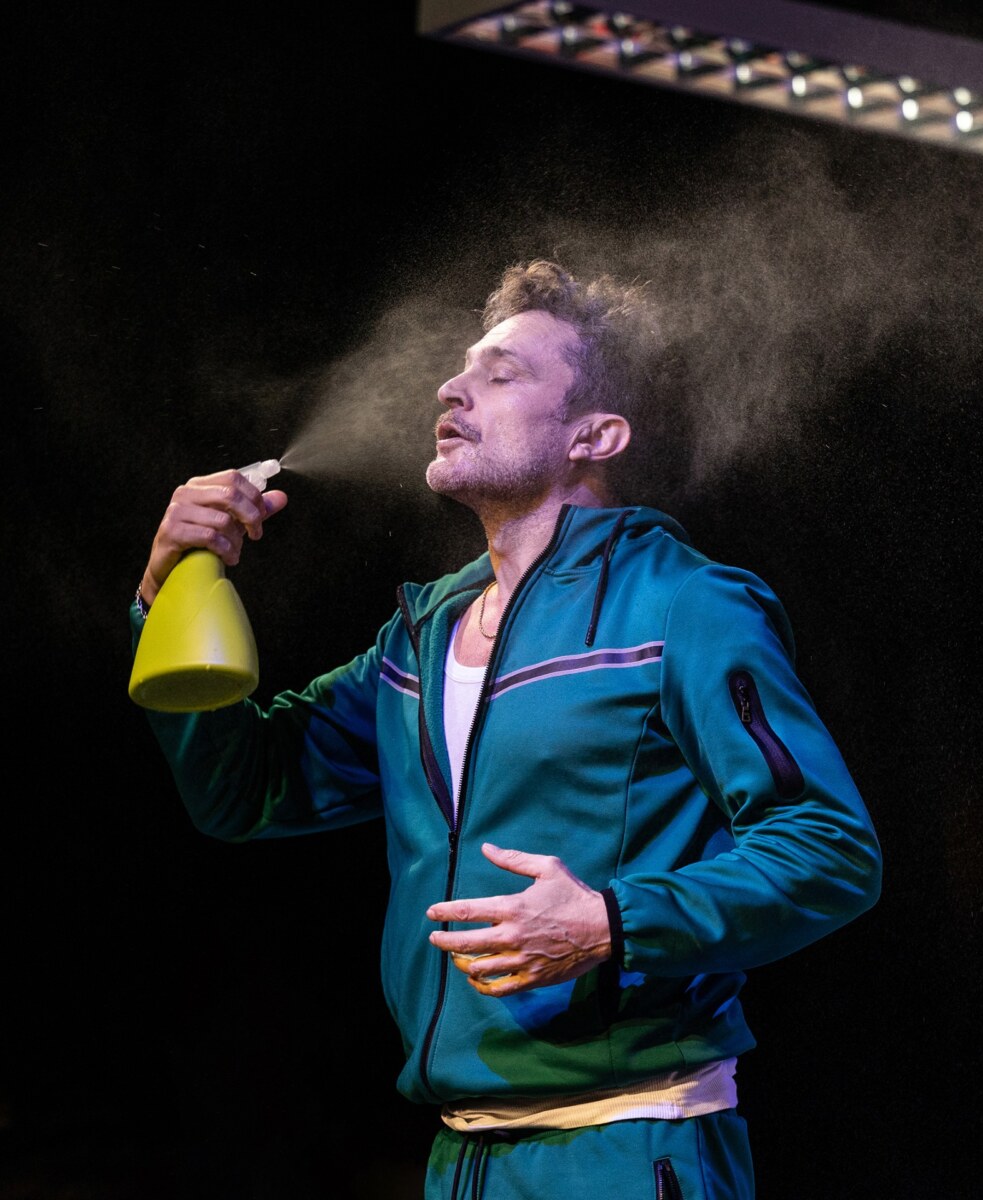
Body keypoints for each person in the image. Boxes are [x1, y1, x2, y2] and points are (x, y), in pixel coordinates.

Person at [132, 260, 882, 1199]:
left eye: (502, 374)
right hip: (460, 1158)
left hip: (628, 1146)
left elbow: (829, 849)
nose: (451, 390)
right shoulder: (419, 637)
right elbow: (241, 792)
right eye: (460, 370)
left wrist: (611, 922)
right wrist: (165, 592)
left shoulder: (683, 605)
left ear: (594, 435)